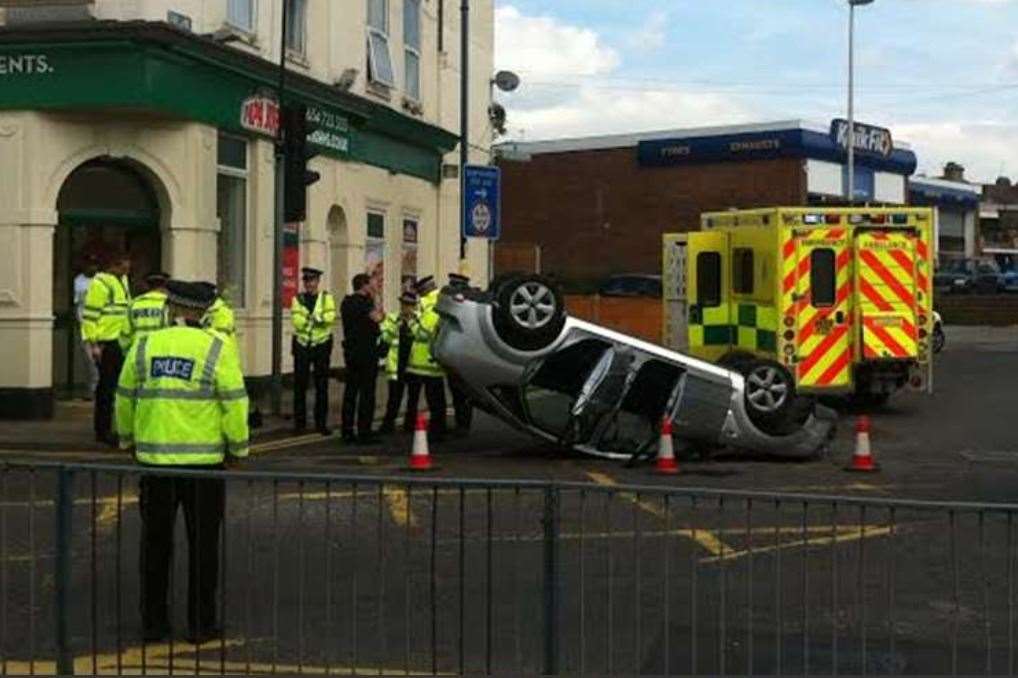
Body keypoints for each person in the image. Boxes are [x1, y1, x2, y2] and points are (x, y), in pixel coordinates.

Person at [115, 280, 249, 645]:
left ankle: (154, 624)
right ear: (204, 311)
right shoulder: (216, 348)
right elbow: (235, 403)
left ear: (172, 309)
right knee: (203, 546)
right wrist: (238, 449)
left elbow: (125, 396)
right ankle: (200, 624)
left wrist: (127, 439)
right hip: (203, 464)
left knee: (155, 545)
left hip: (155, 462)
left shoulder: (146, 344)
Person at [80, 250, 132, 446]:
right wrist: (93, 344)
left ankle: (114, 429)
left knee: (117, 388)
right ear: (112, 265)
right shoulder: (100, 284)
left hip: (121, 342)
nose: (127, 267)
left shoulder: (123, 281)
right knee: (106, 389)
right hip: (106, 343)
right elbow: (90, 316)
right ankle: (102, 431)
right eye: (123, 264)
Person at [291, 267, 337, 435]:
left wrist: (311, 318)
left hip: (322, 345)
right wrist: (318, 319)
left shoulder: (326, 298)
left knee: (321, 386)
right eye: (306, 281)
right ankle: (300, 424)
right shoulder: (297, 299)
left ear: (317, 282)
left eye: (312, 281)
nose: (309, 284)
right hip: (302, 344)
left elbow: (329, 319)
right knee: (300, 386)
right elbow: (297, 321)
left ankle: (321, 423)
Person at [340, 273, 382, 444]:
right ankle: (364, 431)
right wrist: (377, 297)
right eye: (371, 283)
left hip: (351, 352)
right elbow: (379, 317)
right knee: (367, 394)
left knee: (350, 392)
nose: (374, 285)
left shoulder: (346, 302)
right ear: (364, 285)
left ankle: (347, 430)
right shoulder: (365, 303)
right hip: (367, 353)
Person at [405, 275, 447, 439]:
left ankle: (437, 430)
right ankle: (438, 428)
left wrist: (411, 322)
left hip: (428, 361)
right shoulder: (435, 301)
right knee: (435, 397)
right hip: (428, 361)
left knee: (435, 398)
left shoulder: (431, 304)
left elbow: (425, 331)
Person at [378, 290, 418, 434]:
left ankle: (410, 425)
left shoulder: (418, 319)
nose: (406, 307)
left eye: (409, 305)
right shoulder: (393, 318)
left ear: (414, 306)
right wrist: (397, 325)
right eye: (404, 304)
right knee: (394, 398)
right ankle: (388, 424)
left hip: (413, 364)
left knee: (413, 398)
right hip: (397, 364)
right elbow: (384, 335)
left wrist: (410, 323)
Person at [446, 273, 475, 434]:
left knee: (463, 393)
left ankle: (463, 425)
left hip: (464, 356)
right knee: (457, 392)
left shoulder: (466, 304)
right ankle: (461, 423)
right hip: (457, 355)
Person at [120, 271, 170, 350]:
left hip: (137, 351)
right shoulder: (167, 305)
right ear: (165, 286)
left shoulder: (134, 304)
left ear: (147, 286)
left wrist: (128, 352)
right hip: (160, 352)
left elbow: (125, 335)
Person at [73, 256, 100, 400]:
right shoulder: (78, 281)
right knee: (89, 359)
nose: (92, 268)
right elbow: (76, 304)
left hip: (101, 325)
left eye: (95, 265)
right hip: (85, 325)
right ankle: (91, 390)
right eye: (90, 264)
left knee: (98, 360)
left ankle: (96, 389)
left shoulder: (101, 281)